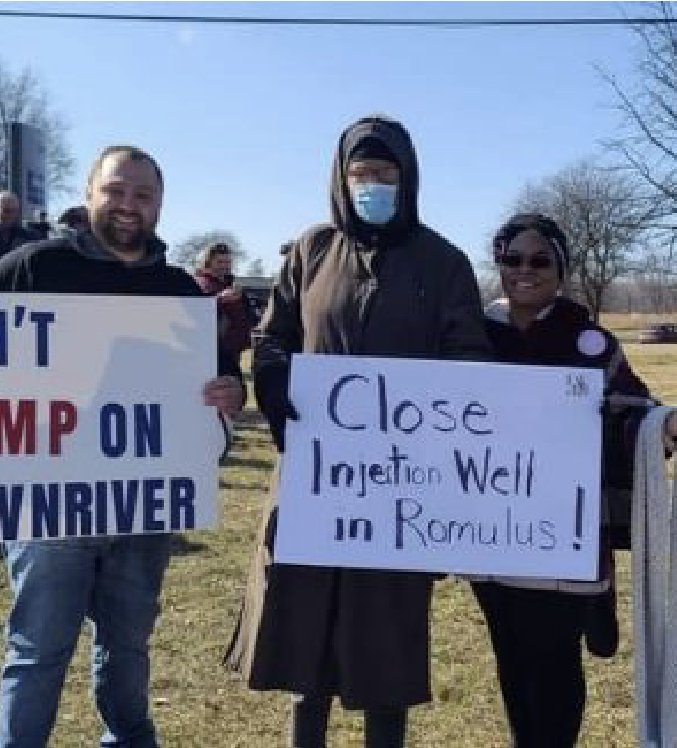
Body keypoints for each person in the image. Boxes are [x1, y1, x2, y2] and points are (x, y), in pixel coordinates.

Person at [0, 145, 245, 748]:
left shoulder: (177, 290)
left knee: (129, 643)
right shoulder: (32, 267)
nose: (128, 206)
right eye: (115, 190)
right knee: (38, 647)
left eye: (143, 195)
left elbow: (216, 376)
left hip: (144, 505)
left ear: (160, 205)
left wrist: (231, 390)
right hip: (49, 503)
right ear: (89, 193)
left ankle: (130, 738)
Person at [225, 115, 491, 748]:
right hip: (314, 480)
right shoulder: (311, 251)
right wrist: (274, 378)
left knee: (386, 642)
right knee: (303, 635)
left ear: (408, 179)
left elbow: (468, 355)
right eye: (361, 173)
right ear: (342, 179)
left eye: (386, 174)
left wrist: (430, 407)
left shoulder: (443, 262)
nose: (373, 184)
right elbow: (273, 335)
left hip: (398, 487)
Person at [473, 214, 677, 747]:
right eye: (512, 260)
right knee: (510, 660)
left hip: (563, 540)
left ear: (560, 269)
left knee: (554, 665)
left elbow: (630, 411)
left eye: (539, 260)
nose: (524, 271)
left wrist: (669, 424)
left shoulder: (590, 343)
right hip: (492, 540)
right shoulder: (472, 337)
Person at [193, 243, 254, 381]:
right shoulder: (199, 284)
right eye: (220, 262)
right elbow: (194, 311)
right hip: (211, 352)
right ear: (208, 262)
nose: (225, 265)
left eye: (228, 262)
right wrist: (219, 300)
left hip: (233, 351)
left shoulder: (231, 286)